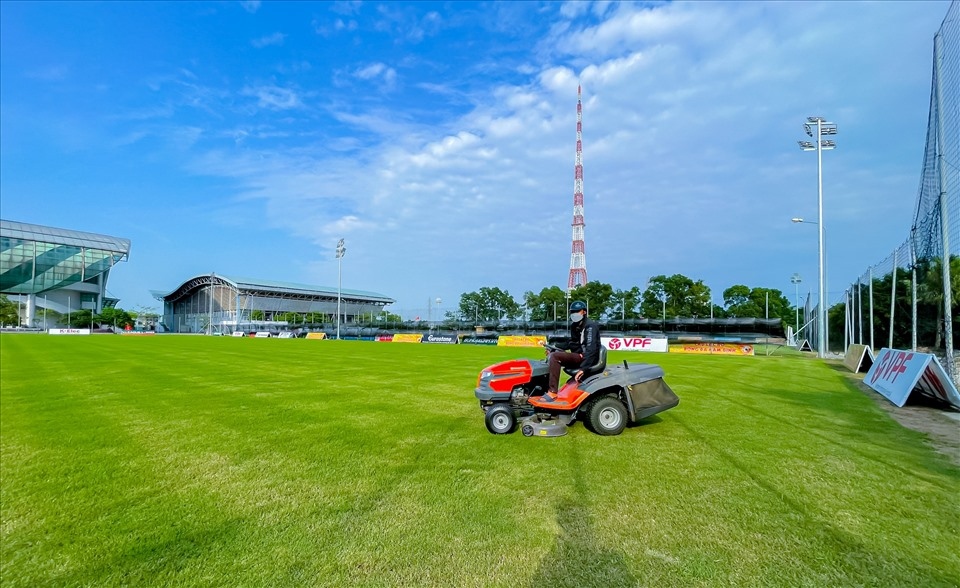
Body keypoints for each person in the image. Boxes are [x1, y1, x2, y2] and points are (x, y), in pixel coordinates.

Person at [542, 300, 601, 399]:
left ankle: (552, 391)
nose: (575, 314)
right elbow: (571, 343)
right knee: (552, 354)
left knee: (555, 357)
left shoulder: (590, 326)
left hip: (586, 358)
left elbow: (592, 349)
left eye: (577, 311)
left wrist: (583, 368)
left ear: (584, 312)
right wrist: (554, 347)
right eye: (572, 312)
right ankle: (542, 389)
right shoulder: (575, 326)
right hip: (578, 355)